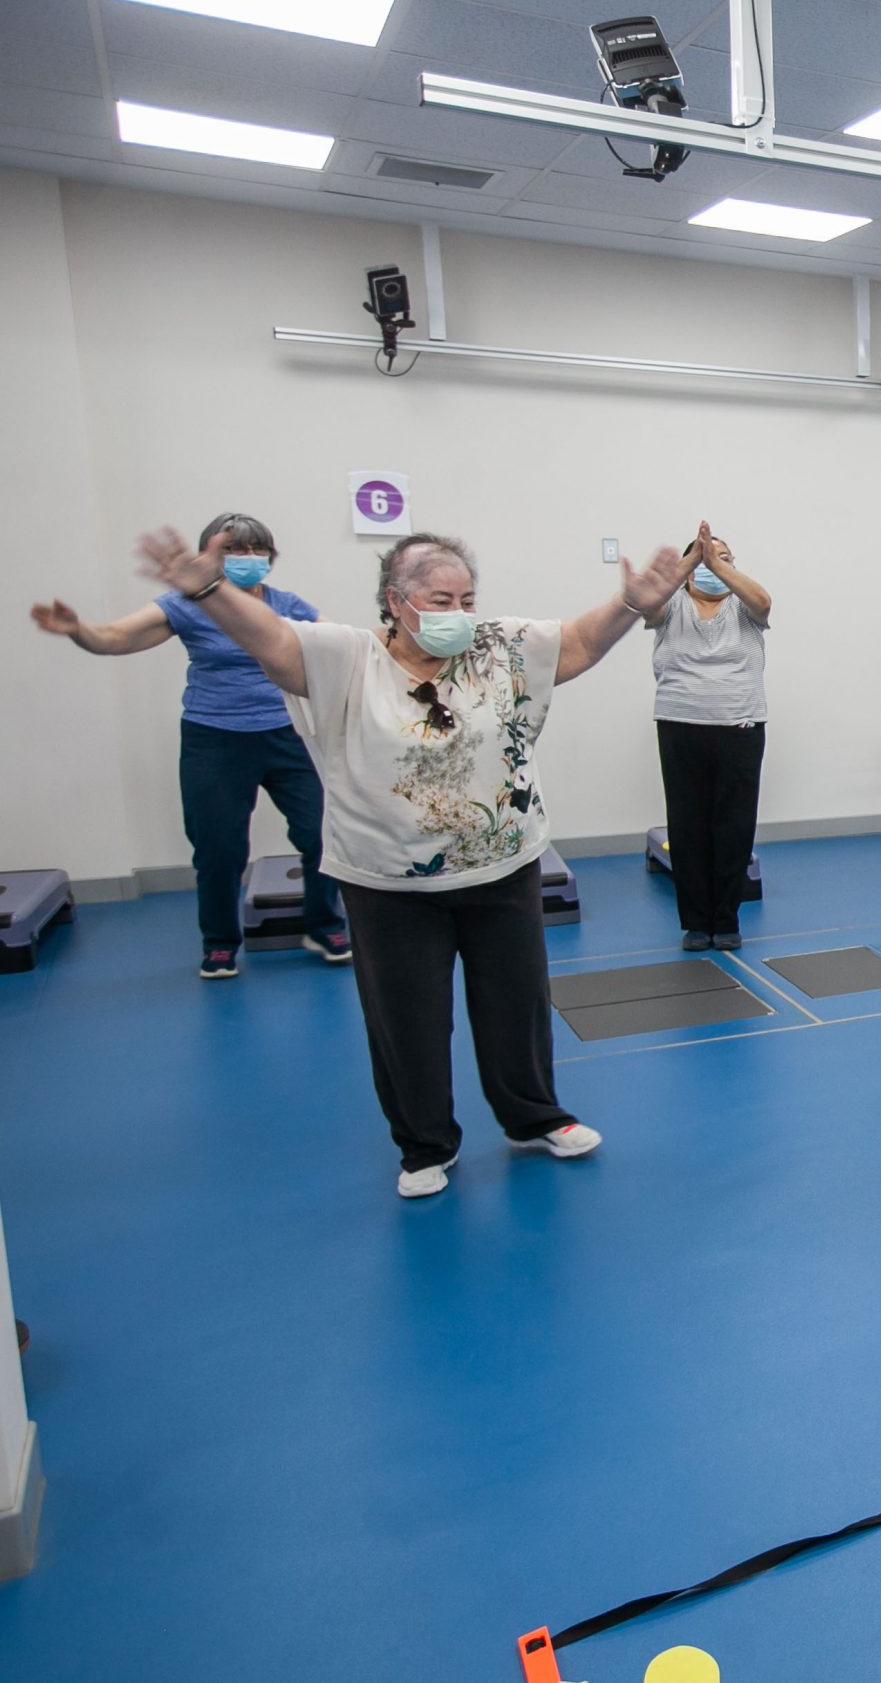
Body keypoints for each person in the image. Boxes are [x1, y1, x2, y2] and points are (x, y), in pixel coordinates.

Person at [133, 525, 688, 1199]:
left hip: (502, 866)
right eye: (439, 598)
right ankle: (425, 1143)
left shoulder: (498, 646)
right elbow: (272, 643)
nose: (456, 611)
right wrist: (212, 590)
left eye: (466, 597)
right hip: (387, 880)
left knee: (518, 1006)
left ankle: (532, 1116)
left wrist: (629, 605)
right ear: (396, 601)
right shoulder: (345, 657)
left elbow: (574, 643)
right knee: (408, 1019)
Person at [29, 514, 348, 978]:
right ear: (208, 558)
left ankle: (322, 924)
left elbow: (340, 645)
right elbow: (117, 637)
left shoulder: (286, 604)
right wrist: (80, 630)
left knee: (323, 833)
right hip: (214, 740)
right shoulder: (188, 606)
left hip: (288, 735)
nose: (248, 560)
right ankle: (219, 942)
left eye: (257, 551)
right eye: (234, 552)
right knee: (218, 849)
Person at [644, 521, 772, 952]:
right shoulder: (672, 606)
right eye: (704, 558)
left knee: (733, 826)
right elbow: (647, 602)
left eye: (724, 557)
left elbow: (764, 600)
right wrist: (691, 562)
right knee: (688, 826)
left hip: (740, 727)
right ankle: (696, 923)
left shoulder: (745, 607)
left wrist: (718, 565)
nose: (712, 566)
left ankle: (726, 919)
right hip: (680, 726)